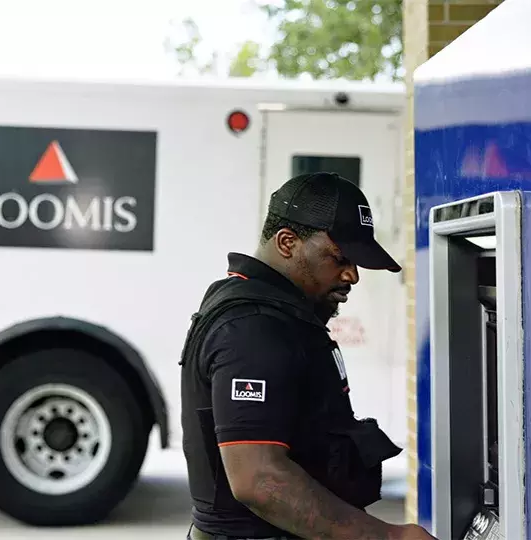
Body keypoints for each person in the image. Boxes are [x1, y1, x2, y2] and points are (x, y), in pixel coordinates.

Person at [179, 172, 436, 540]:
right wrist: (387, 537)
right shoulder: (254, 328)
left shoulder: (276, 315)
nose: (352, 275)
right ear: (287, 242)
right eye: (340, 258)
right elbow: (259, 479)